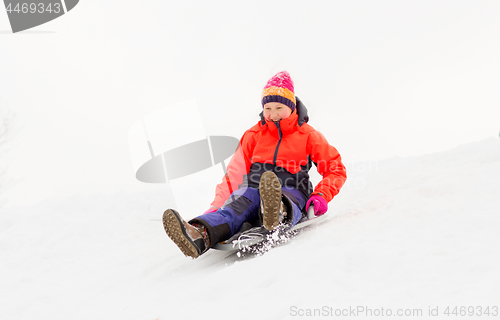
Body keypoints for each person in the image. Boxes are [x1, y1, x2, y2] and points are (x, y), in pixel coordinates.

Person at [162, 71, 347, 258]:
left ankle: (277, 212)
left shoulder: (308, 135)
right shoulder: (254, 135)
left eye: (279, 107)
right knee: (235, 207)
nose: (273, 114)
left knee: (286, 199)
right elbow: (234, 174)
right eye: (268, 108)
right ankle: (199, 233)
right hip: (252, 187)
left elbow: (335, 169)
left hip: (293, 187)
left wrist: (321, 195)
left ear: (292, 107)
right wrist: (216, 206)